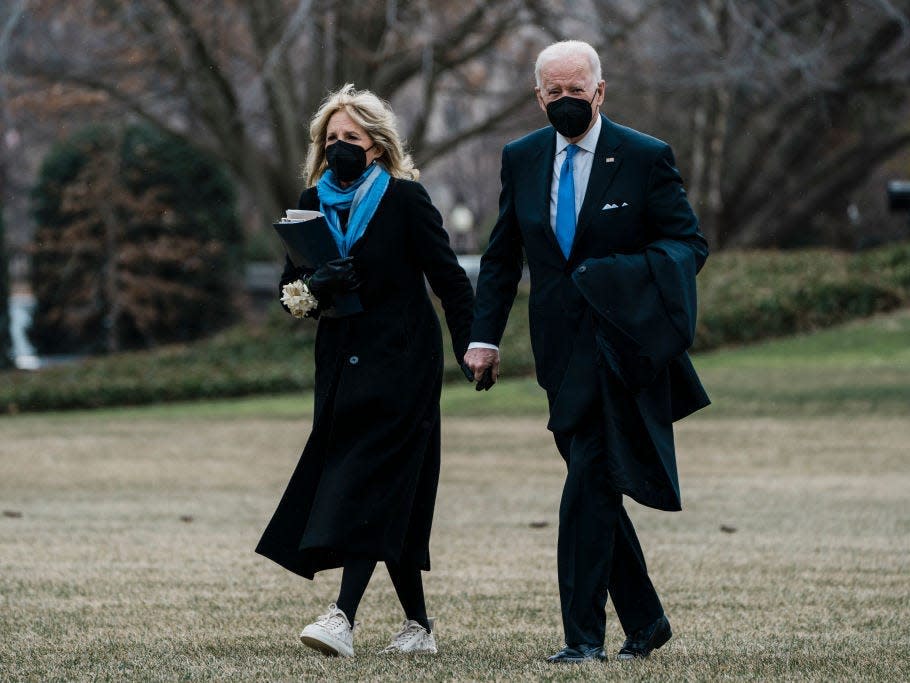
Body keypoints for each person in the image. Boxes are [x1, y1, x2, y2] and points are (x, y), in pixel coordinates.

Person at [463, 40, 710, 663]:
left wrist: (615, 278)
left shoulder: (645, 156)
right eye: (555, 92)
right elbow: (501, 256)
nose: (567, 102)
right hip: (559, 352)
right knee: (592, 483)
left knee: (586, 490)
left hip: (622, 348)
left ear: (600, 92)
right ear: (538, 95)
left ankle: (583, 640)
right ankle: (648, 620)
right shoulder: (520, 157)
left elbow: (687, 244)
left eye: (578, 91)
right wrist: (484, 337)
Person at [256, 84, 474, 658]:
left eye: (352, 137)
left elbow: (449, 279)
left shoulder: (406, 199)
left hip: (404, 362)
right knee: (384, 487)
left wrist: (473, 345)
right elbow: (287, 295)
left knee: (369, 480)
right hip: (340, 365)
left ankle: (341, 618)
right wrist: (315, 287)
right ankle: (419, 628)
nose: (341, 146)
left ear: (376, 146)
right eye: (332, 139)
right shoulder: (309, 204)